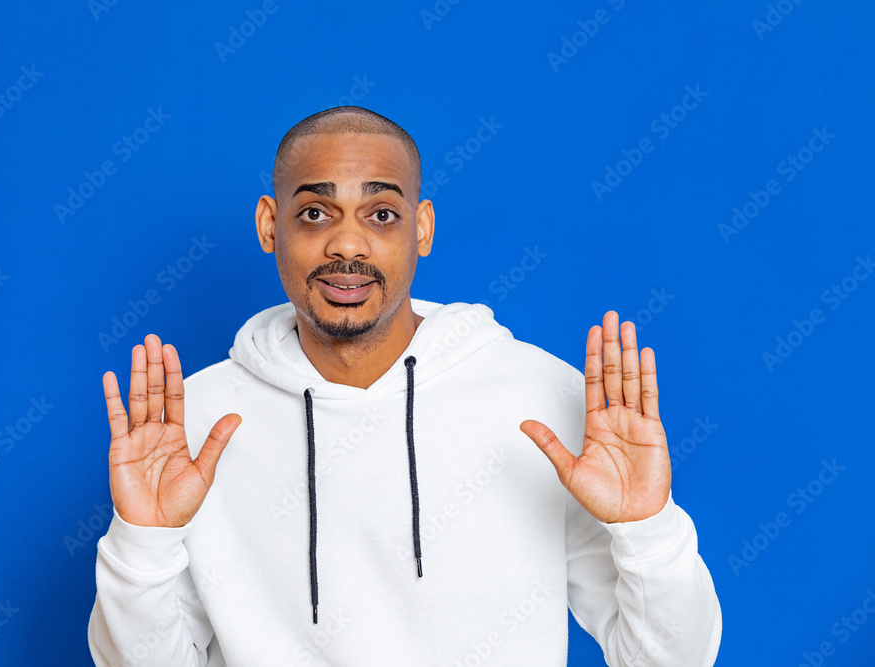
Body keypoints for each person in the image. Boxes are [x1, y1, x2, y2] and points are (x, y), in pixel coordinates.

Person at [87, 106, 722, 666]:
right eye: (315, 213)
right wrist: (143, 544)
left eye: (382, 214)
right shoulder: (194, 425)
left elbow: (673, 662)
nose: (347, 243)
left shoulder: (543, 398)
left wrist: (647, 528)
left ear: (421, 228)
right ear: (269, 224)